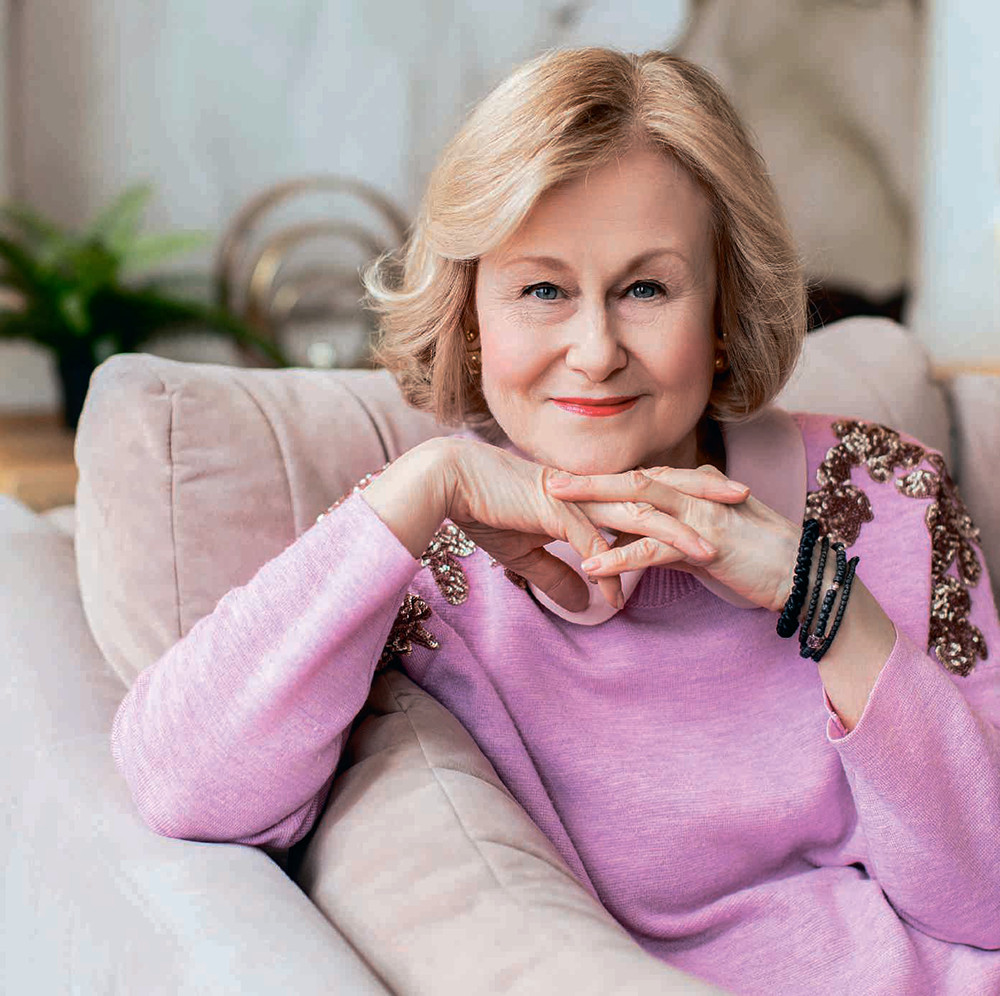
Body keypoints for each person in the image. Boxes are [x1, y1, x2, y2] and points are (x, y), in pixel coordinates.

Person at [111, 47, 1000, 994]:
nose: (595, 350)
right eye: (543, 290)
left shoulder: (884, 490)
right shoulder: (420, 550)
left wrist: (818, 593)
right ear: (471, 317)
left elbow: (983, 897)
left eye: (646, 288)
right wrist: (428, 481)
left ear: (724, 309)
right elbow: (181, 785)